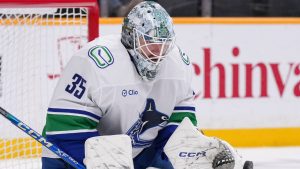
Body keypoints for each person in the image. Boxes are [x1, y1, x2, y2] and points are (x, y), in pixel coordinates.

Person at [41, 1, 242, 169]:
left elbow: (179, 128)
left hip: (140, 151)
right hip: (72, 154)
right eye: (149, 41)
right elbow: (64, 131)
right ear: (130, 37)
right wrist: (105, 162)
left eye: (164, 42)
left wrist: (196, 153)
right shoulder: (94, 62)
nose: (159, 50)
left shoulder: (178, 65)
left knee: (199, 156)